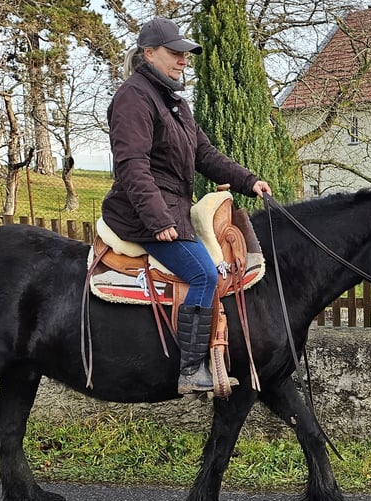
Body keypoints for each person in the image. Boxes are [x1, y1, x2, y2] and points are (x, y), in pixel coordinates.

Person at [101, 17, 272, 395]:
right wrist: (157, 219)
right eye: (175, 53)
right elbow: (132, 166)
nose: (183, 60)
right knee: (203, 275)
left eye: (185, 54)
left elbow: (205, 154)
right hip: (142, 214)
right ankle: (190, 369)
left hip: (173, 207)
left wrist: (248, 180)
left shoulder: (175, 102)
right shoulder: (133, 97)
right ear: (149, 54)